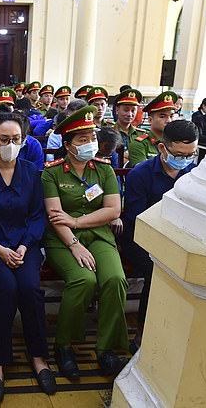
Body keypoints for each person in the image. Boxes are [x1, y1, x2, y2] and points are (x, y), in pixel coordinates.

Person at [0, 112, 56, 404]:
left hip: (23, 246)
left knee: (30, 288)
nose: (10, 145)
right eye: (4, 139)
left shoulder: (31, 172)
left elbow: (37, 216)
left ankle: (39, 357)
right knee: (6, 287)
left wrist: (25, 247)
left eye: (15, 139)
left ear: (24, 140)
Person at [42, 105, 129, 379]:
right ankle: (64, 345)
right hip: (62, 240)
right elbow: (56, 217)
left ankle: (106, 349)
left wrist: (78, 222)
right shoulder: (51, 173)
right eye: (82, 140)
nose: (90, 143)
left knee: (115, 279)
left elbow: (113, 210)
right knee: (84, 280)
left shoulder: (103, 170)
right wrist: (74, 243)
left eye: (91, 137)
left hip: (99, 236)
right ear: (67, 145)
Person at [122, 120, 198, 350]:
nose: (184, 160)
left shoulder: (193, 175)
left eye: (190, 154)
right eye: (178, 154)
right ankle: (143, 334)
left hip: (179, 237)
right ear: (162, 148)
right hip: (141, 239)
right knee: (159, 272)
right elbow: (136, 219)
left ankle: (177, 333)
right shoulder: (141, 174)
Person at [128, 91, 177, 167]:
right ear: (150, 120)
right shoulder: (140, 144)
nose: (168, 121)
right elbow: (142, 173)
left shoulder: (175, 143)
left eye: (171, 116)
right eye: (162, 116)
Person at [112, 88, 144, 162]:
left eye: (133, 110)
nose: (129, 114)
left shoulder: (141, 134)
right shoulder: (109, 132)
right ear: (117, 110)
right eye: (126, 110)